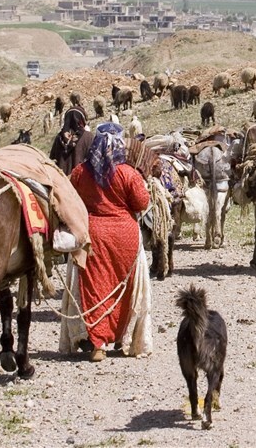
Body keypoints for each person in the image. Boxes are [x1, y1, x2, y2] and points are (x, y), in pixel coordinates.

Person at [69, 123, 151, 362]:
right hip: (125, 236)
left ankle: (98, 344)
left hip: (92, 235)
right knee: (125, 289)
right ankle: (121, 338)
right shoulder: (128, 173)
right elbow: (142, 203)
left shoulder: (80, 172)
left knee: (95, 287)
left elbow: (72, 201)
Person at [50, 107, 94, 175]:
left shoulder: (59, 137)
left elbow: (52, 160)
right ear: (81, 120)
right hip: (79, 180)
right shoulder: (88, 137)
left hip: (62, 180)